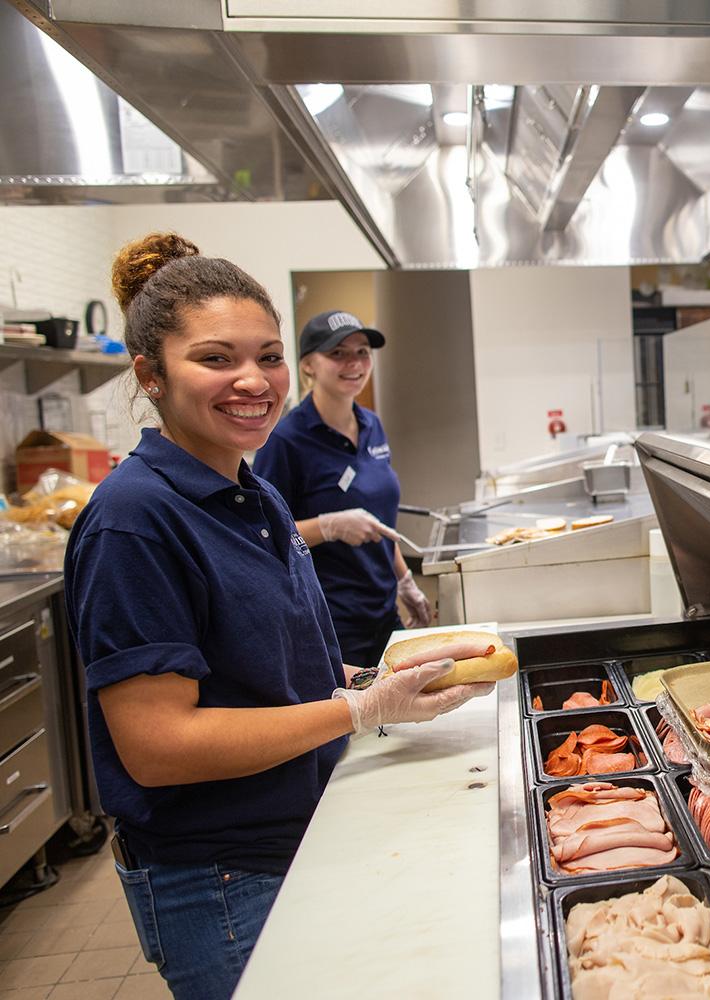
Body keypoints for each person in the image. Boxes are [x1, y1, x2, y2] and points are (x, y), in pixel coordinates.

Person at [64, 233, 492, 1000]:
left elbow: (271, 662)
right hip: (220, 876)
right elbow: (158, 747)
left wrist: (385, 680)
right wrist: (359, 710)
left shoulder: (251, 494)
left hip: (295, 833)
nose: (252, 380)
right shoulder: (134, 521)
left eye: (265, 356)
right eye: (217, 358)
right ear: (149, 375)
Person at [253, 310, 430, 669]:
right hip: (330, 620)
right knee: (353, 720)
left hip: (383, 610)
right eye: (338, 353)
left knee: (400, 719)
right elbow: (261, 536)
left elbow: (379, 520)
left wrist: (404, 580)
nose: (354, 363)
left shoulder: (372, 425)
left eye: (363, 352)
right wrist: (329, 526)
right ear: (308, 366)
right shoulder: (286, 441)